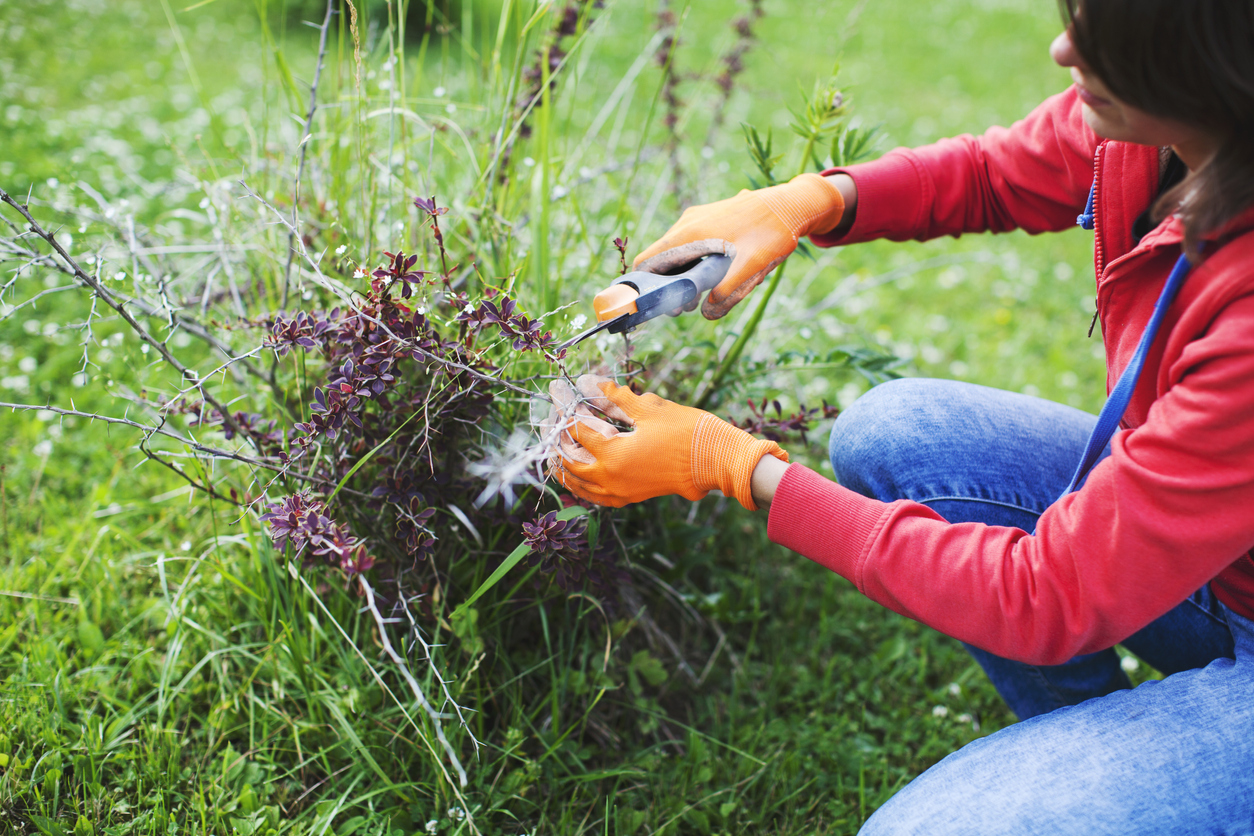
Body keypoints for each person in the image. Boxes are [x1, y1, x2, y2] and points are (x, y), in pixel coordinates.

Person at [547, 0, 1254, 832]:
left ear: (1210, 63)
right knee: (902, 433)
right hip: (1219, 566)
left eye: (1106, 40)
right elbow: (998, 171)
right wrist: (811, 201)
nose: (1065, 49)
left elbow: (1046, 594)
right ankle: (1115, 764)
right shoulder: (1169, 130)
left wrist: (739, 467)